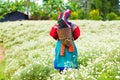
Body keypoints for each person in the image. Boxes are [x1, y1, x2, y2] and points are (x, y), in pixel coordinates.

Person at [49, 9, 80, 74]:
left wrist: (60, 38)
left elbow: (53, 34)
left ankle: (62, 74)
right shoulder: (72, 25)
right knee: (71, 60)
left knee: (61, 61)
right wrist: (70, 39)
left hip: (60, 45)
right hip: (71, 45)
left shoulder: (57, 26)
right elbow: (77, 34)